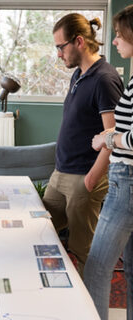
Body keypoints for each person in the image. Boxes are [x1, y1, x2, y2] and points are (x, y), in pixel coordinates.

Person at [42, 13, 123, 276]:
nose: (58, 54)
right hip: (61, 172)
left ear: (78, 42)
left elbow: (112, 134)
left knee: (81, 251)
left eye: (60, 47)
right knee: (42, 230)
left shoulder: (104, 78)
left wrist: (91, 179)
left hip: (83, 176)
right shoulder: (78, 74)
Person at [84, 5, 133, 319]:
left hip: (126, 183)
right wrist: (113, 131)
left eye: (118, 35)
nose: (114, 42)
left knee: (97, 269)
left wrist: (108, 140)